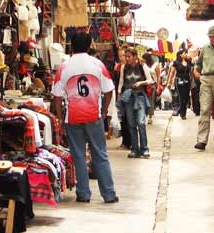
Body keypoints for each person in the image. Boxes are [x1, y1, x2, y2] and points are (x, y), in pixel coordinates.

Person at [51, 33, 119, 203]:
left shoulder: (64, 67)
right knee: (100, 154)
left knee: (79, 155)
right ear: (89, 46)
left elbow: (57, 96)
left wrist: (60, 117)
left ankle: (83, 193)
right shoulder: (98, 64)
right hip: (93, 115)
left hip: (72, 117)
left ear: (72, 46)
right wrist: (103, 112)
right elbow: (109, 90)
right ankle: (109, 194)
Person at [118, 48, 153, 158]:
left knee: (141, 123)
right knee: (131, 124)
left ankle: (144, 148)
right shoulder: (124, 67)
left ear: (135, 56)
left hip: (140, 97)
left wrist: (140, 83)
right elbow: (121, 83)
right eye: (125, 56)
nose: (126, 58)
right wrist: (119, 98)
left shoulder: (142, 66)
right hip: (128, 98)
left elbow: (150, 80)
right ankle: (134, 149)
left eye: (128, 56)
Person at [166, 50, 194, 119]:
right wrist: (169, 82)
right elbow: (172, 73)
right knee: (182, 97)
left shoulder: (188, 62)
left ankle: (180, 110)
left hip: (187, 81)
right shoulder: (176, 63)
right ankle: (183, 114)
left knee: (187, 97)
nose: (186, 54)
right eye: (184, 53)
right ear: (180, 55)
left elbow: (191, 72)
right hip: (179, 81)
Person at [143, 54, 160, 124]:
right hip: (145, 84)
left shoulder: (155, 65)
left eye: (144, 59)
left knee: (151, 101)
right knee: (144, 100)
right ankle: (144, 115)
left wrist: (158, 86)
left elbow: (158, 76)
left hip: (153, 85)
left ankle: (150, 116)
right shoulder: (144, 65)